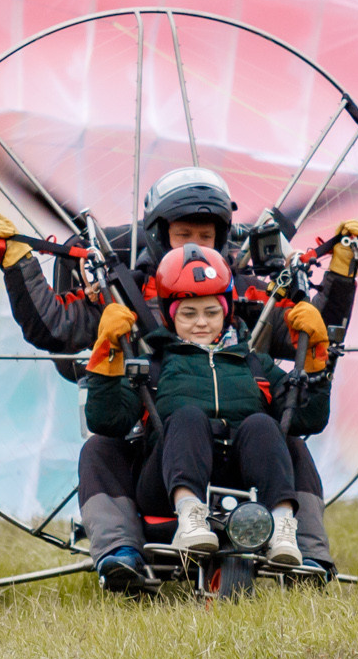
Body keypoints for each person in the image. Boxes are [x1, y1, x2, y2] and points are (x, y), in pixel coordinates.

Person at [0, 166, 358, 590]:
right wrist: (19, 265)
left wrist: (341, 277)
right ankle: (121, 552)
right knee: (105, 448)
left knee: (286, 438)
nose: (196, 249)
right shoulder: (119, 295)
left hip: (246, 451)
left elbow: (311, 342)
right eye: (185, 236)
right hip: (160, 452)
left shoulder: (245, 294)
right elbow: (52, 328)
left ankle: (305, 551)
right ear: (160, 236)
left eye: (206, 237)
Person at [82, 244, 332, 570]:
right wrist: (107, 357)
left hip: (246, 485)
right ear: (171, 317)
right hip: (166, 486)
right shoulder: (152, 367)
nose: (201, 323)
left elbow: (308, 418)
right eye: (189, 313)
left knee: (267, 427)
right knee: (181, 419)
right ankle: (182, 520)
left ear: (225, 312)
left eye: (211, 312)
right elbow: (106, 421)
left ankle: (284, 529)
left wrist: (315, 364)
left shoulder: (256, 366)